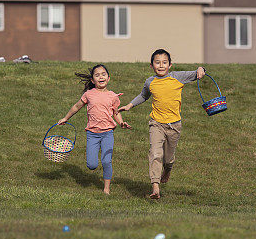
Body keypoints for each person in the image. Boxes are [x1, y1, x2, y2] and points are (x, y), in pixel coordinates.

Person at [118, 49, 205, 199]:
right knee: (155, 153)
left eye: (164, 62)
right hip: (156, 124)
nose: (161, 65)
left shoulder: (177, 77)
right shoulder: (150, 82)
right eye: (157, 62)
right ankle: (155, 187)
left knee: (168, 158)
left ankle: (168, 169)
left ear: (170, 65)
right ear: (151, 65)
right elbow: (143, 96)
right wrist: (129, 105)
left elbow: (196, 72)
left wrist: (201, 69)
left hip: (174, 125)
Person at [58, 64, 131, 195]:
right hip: (92, 134)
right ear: (92, 80)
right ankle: (97, 171)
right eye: (97, 75)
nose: (101, 77)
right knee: (91, 165)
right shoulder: (89, 94)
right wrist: (65, 118)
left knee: (106, 161)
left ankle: (106, 188)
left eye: (103, 74)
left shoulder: (112, 96)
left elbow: (116, 112)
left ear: (108, 78)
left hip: (108, 133)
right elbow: (76, 106)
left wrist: (121, 123)